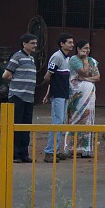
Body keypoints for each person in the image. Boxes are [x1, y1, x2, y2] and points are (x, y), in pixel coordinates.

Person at [2, 33, 38, 163]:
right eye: (32, 43)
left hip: (29, 98)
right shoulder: (17, 56)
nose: (35, 45)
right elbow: (6, 75)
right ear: (24, 44)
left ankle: (24, 154)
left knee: (26, 126)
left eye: (35, 43)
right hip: (17, 96)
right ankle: (15, 154)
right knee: (16, 125)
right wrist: (16, 81)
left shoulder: (31, 58)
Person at [64, 40, 99, 158]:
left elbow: (97, 77)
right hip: (76, 94)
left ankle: (85, 149)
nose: (87, 51)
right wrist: (84, 60)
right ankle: (71, 148)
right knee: (75, 118)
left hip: (89, 93)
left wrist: (86, 80)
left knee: (87, 118)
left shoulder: (92, 61)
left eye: (88, 48)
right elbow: (85, 72)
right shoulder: (74, 59)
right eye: (84, 48)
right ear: (78, 49)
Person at [42, 33, 74, 163]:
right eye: (69, 42)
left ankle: (55, 150)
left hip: (63, 94)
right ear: (62, 44)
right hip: (58, 94)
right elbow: (47, 76)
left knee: (60, 122)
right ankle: (49, 152)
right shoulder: (57, 57)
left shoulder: (66, 59)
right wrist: (51, 92)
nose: (72, 44)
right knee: (57, 122)